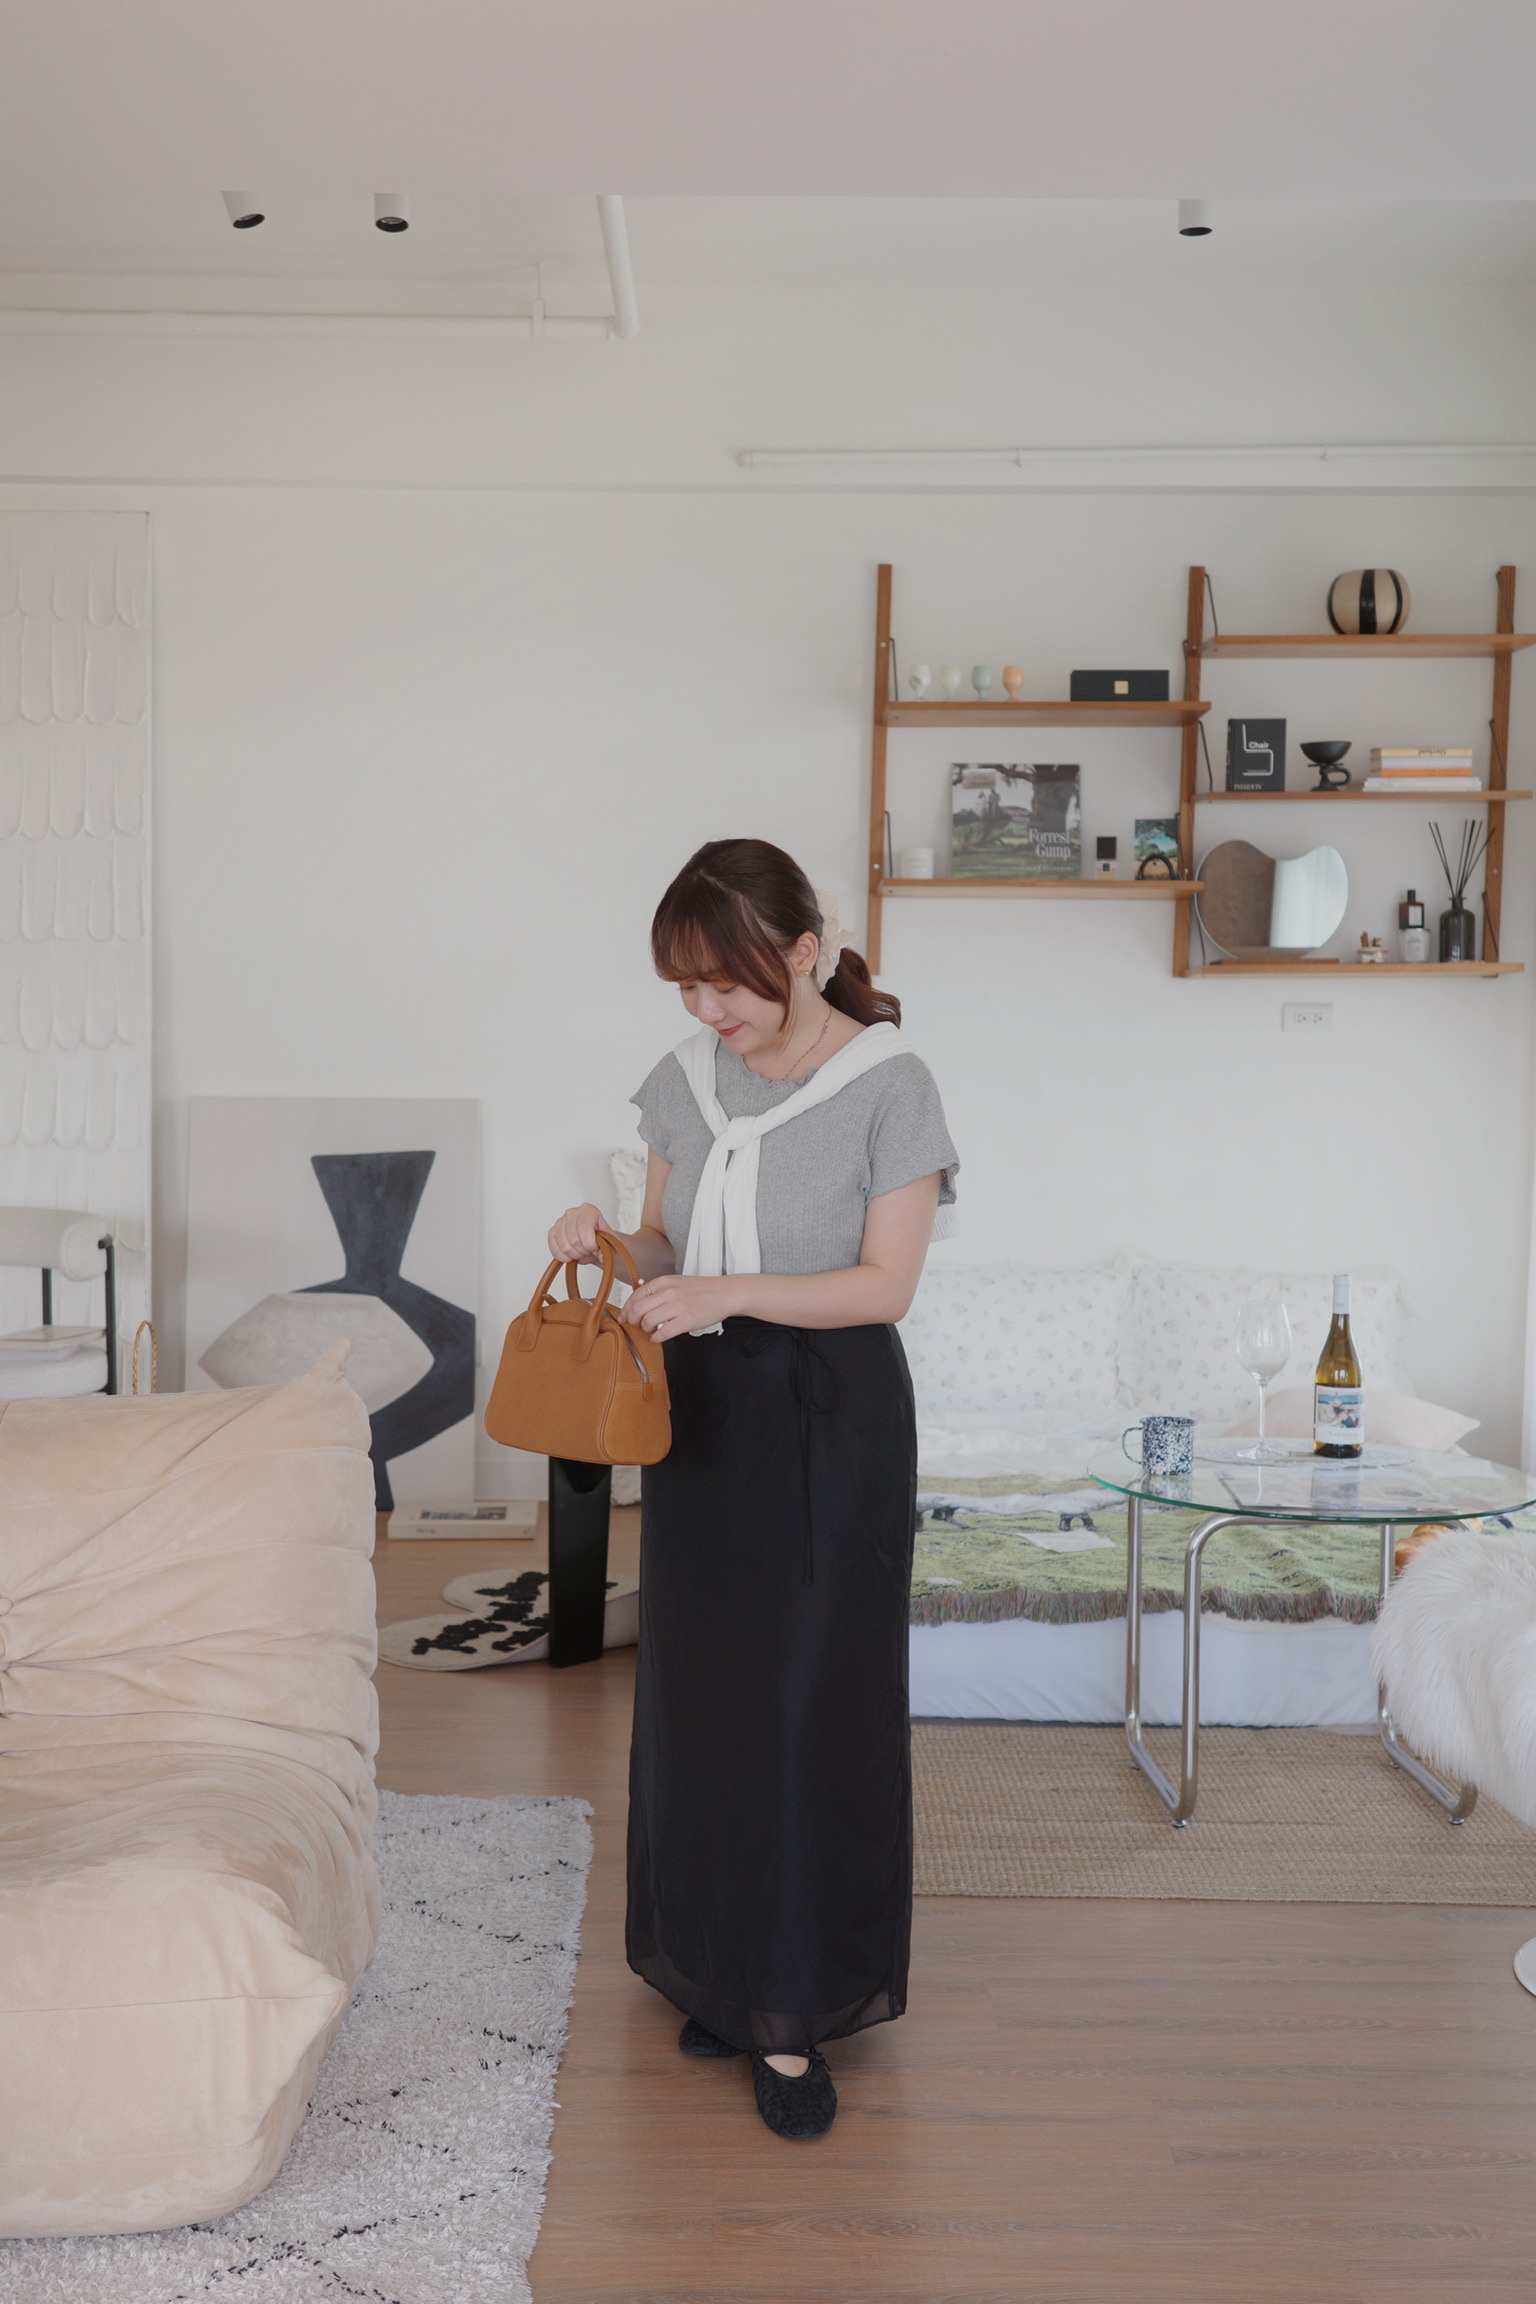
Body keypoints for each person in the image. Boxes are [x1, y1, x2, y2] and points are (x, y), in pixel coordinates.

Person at [546, 837, 958, 2141]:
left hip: (831, 1416)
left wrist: (724, 1291)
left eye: (725, 982)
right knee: (704, 1699)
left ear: (803, 951)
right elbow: (662, 1240)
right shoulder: (685, 1077)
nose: (706, 1008)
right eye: (685, 984)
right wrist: (605, 1242)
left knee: (808, 1704)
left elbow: (886, 1285)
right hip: (704, 1413)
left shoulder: (892, 1084)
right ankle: (719, 1972)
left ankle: (793, 2012)